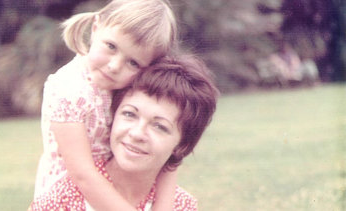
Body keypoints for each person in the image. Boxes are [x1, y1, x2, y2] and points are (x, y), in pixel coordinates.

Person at [33, 0, 178, 210]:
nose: (114, 66)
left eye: (133, 62)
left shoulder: (133, 89)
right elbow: (82, 175)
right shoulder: (68, 89)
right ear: (95, 28)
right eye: (111, 46)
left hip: (121, 190)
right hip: (71, 198)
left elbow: (170, 156)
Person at [29, 53, 219, 210]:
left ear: (182, 144)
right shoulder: (61, 201)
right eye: (129, 114)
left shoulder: (181, 206)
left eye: (159, 126)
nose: (137, 133)